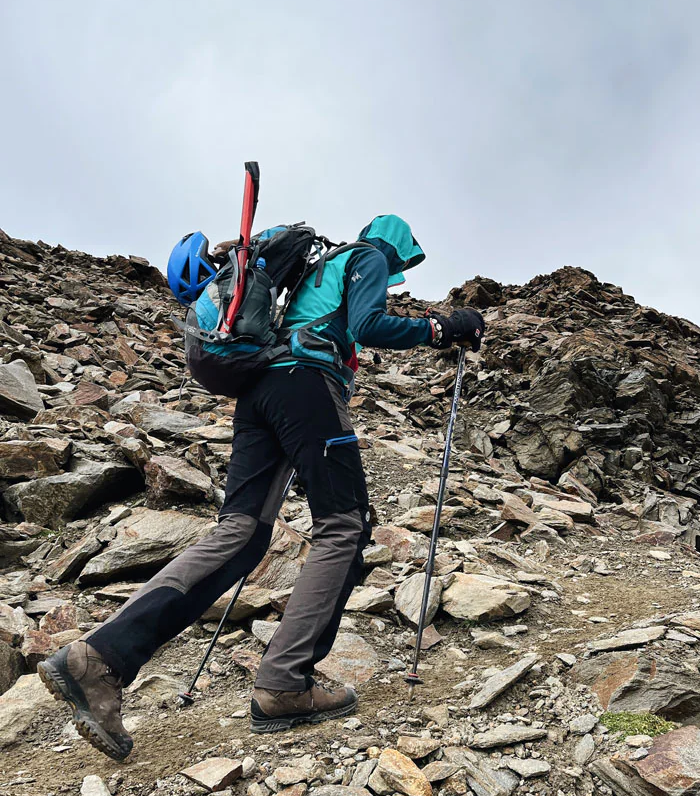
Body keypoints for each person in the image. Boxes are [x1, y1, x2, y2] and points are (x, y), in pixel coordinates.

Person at [38, 215, 484, 760]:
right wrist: (444, 327)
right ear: (398, 248)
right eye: (403, 261)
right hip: (307, 388)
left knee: (242, 532)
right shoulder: (366, 256)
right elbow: (368, 325)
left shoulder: (314, 271)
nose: (396, 273)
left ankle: (98, 660)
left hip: (260, 393)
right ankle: (285, 683)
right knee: (343, 524)